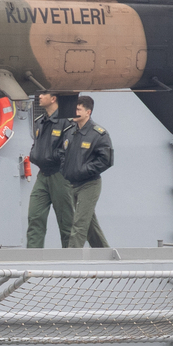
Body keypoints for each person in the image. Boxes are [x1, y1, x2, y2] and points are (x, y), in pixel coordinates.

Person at [54, 95, 116, 248]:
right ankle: (103, 253)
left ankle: (72, 258)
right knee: (89, 226)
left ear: (88, 112)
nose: (74, 112)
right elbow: (62, 153)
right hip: (73, 184)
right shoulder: (70, 132)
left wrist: (83, 170)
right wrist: (65, 170)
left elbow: (106, 160)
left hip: (89, 184)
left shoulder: (98, 134)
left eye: (78, 109)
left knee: (79, 223)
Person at [23, 93, 65, 248]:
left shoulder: (66, 122)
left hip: (60, 175)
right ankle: (33, 258)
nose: (39, 96)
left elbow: (70, 148)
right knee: (35, 217)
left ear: (53, 99)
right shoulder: (40, 121)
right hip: (42, 175)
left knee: (66, 221)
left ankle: (71, 259)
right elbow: (37, 143)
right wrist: (35, 154)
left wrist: (53, 157)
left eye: (44, 94)